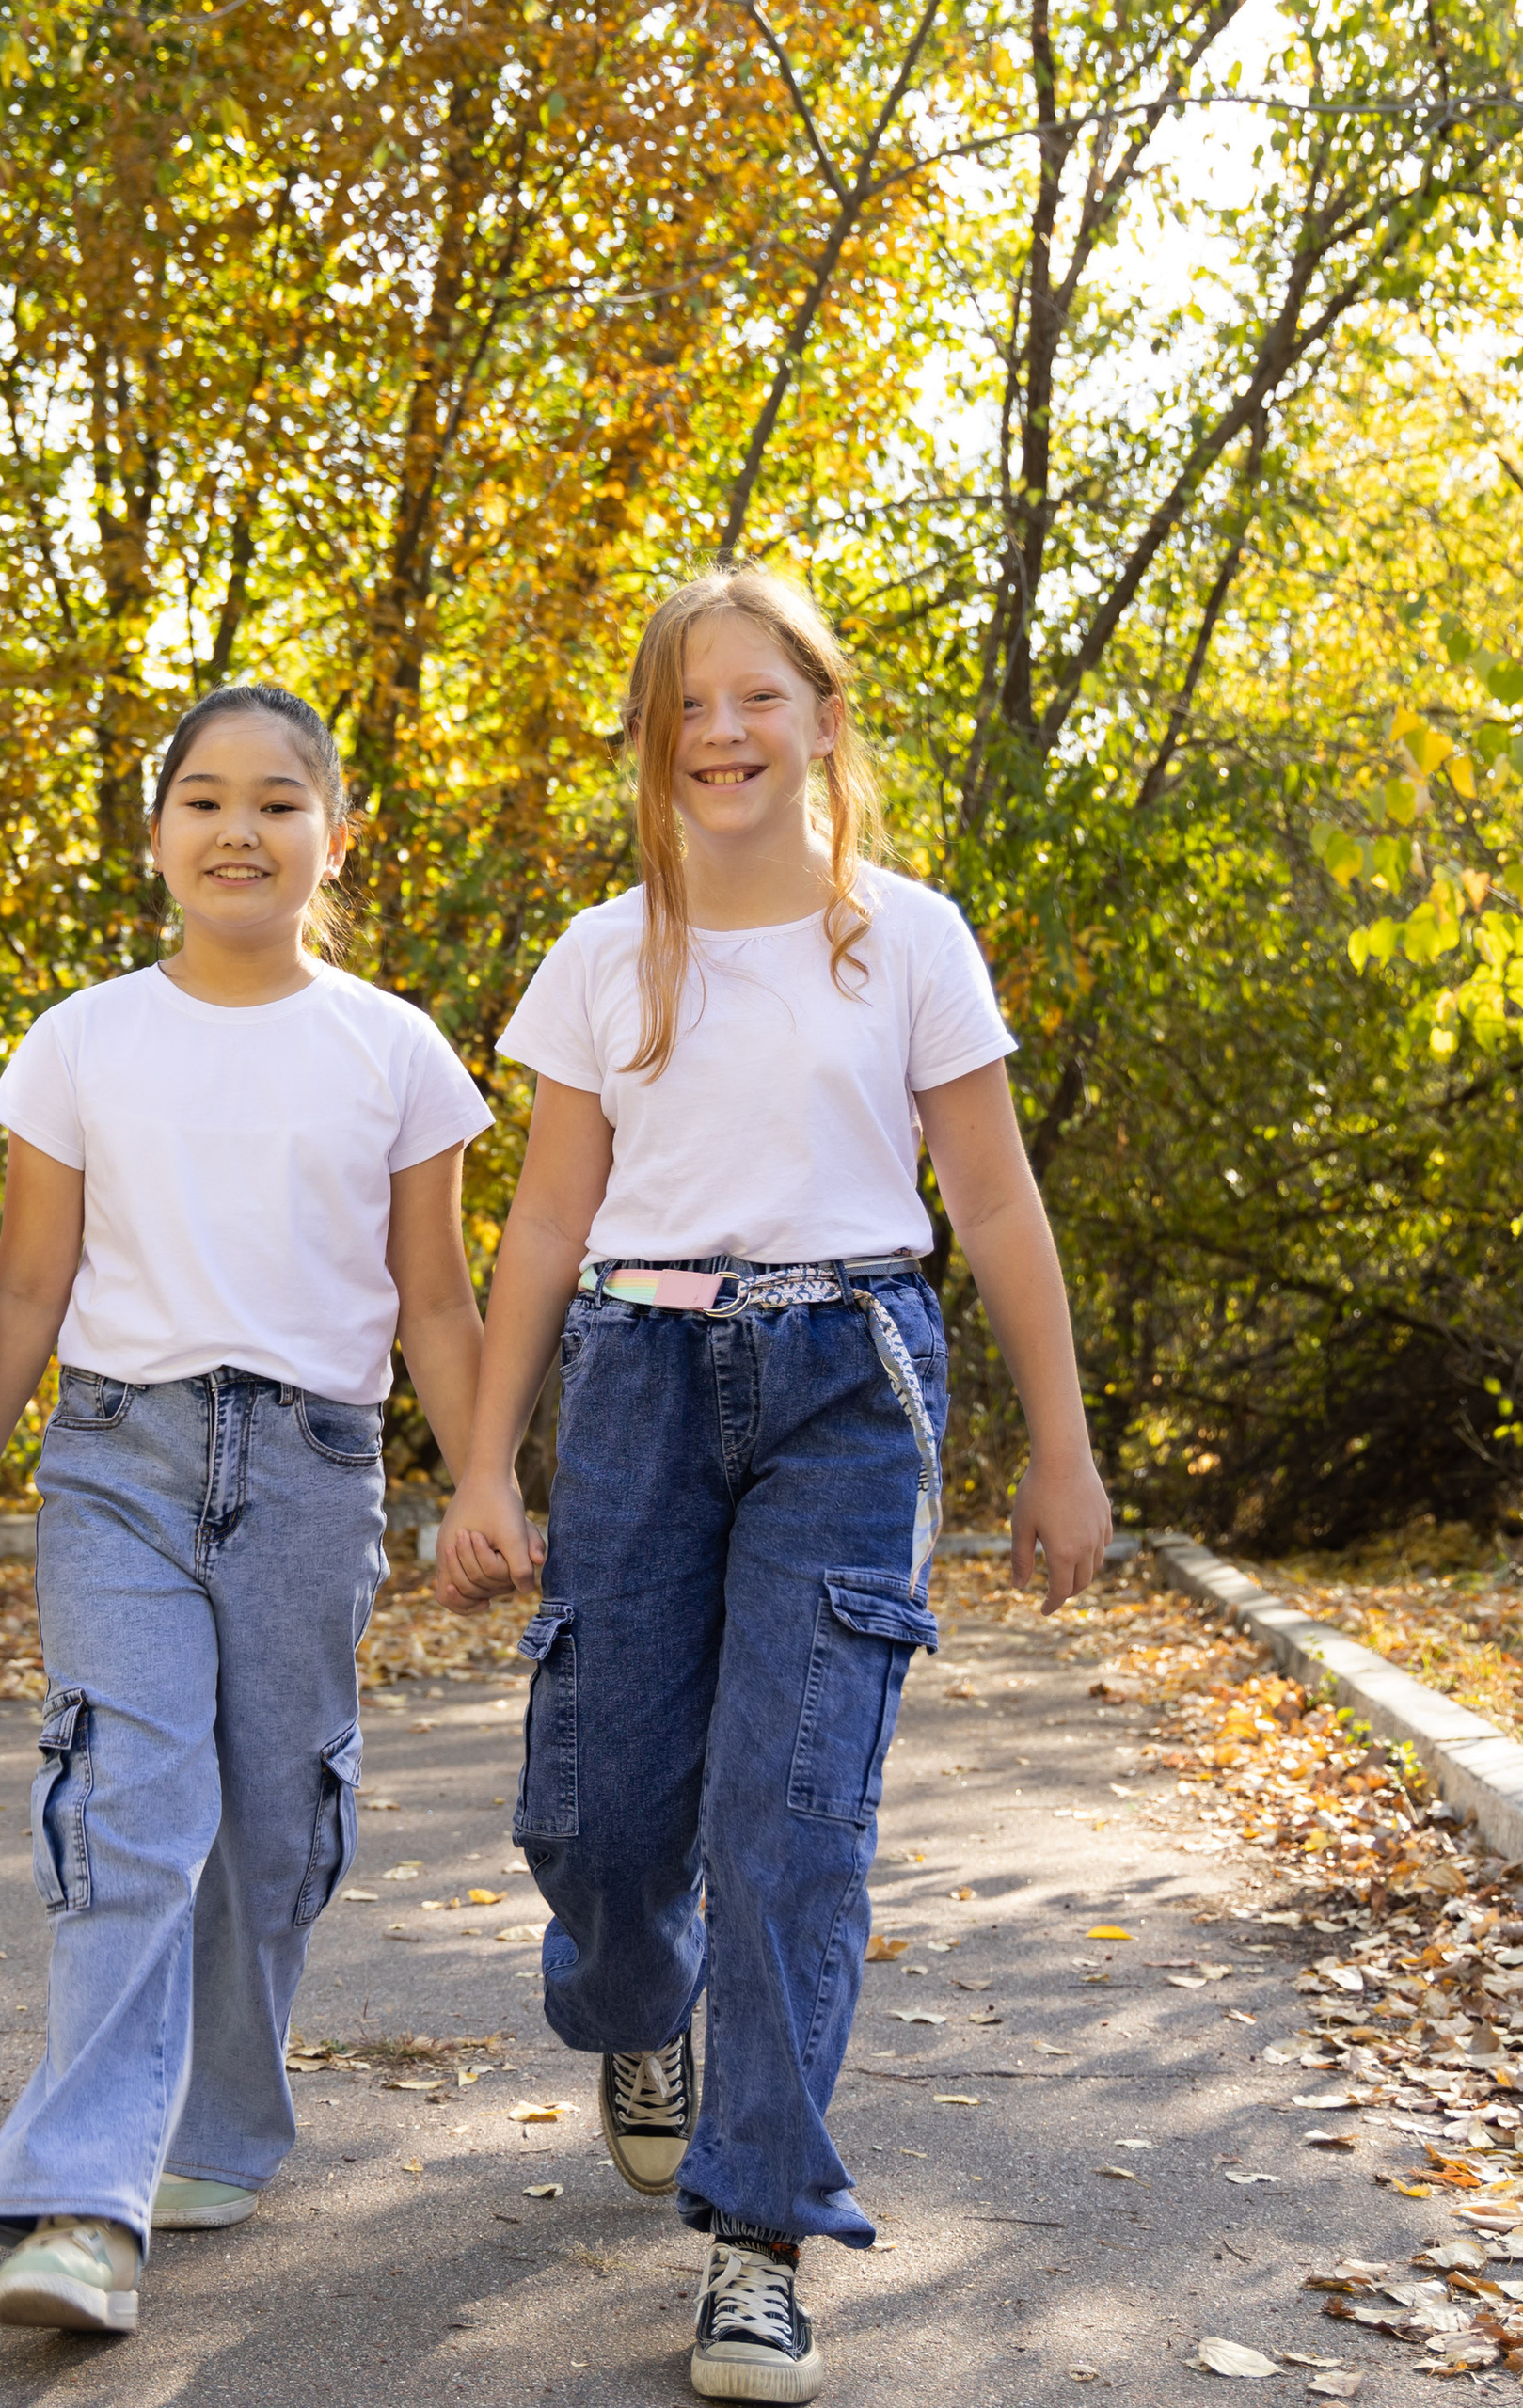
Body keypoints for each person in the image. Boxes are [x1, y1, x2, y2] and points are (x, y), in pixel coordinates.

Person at [434, 567, 1112, 2402]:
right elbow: (546, 1221)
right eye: (683, 708)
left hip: (848, 1378)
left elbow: (989, 1202)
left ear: (822, 717)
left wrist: (1058, 1448)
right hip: (638, 1381)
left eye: (755, 698)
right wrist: (484, 1457)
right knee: (596, 1807)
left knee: (790, 1818)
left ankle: (755, 2236)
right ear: (652, 745)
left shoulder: (903, 937)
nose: (720, 734)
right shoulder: (600, 953)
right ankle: (636, 2006)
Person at [0, 683, 491, 2336]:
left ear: (338, 832)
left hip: (317, 1475)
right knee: (129, 1805)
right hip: (119, 1459)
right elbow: (26, 1278)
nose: (237, 829)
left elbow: (439, 1303)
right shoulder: (83, 1037)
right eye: (201, 798)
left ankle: (228, 2125)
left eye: (275, 800)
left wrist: (483, 1484)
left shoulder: (396, 1049)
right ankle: (84, 2202)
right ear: (157, 827)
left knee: (270, 1823)